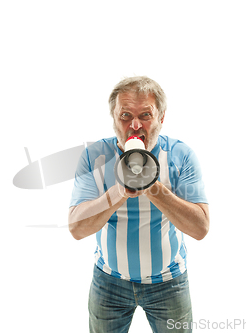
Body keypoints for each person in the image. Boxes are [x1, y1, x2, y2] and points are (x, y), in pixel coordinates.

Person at [68, 76, 209, 333]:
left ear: (161, 118)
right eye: (124, 115)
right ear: (113, 118)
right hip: (109, 281)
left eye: (145, 114)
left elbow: (200, 228)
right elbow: (76, 228)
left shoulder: (181, 155)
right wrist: (119, 192)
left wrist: (152, 187)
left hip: (169, 281)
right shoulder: (94, 157)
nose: (134, 125)